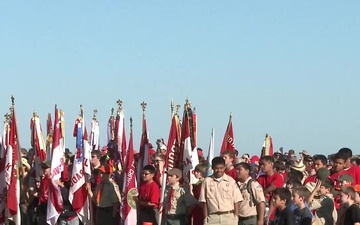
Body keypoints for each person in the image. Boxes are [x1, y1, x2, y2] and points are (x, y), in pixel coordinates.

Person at [199, 156, 242, 225]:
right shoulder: (206, 181)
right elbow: (204, 202)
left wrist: (236, 217)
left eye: (221, 168)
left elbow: (236, 201)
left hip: (229, 217)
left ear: (224, 167)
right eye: (216, 168)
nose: (219, 170)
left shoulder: (230, 181)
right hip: (212, 218)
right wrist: (205, 218)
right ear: (212, 168)